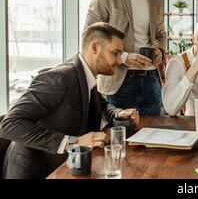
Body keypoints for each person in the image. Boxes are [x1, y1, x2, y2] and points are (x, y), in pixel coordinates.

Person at [0, 22, 140, 179]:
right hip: (32, 170)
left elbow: (102, 104)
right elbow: (9, 124)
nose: (119, 61)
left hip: (64, 168)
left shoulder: (86, 75)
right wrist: (73, 142)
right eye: (115, 53)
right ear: (94, 48)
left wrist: (119, 113)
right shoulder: (59, 77)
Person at [83, 0, 167, 115]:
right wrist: (124, 57)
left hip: (151, 81)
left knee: (152, 137)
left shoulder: (156, 1)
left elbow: (160, 34)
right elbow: (89, 37)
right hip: (118, 82)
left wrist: (160, 50)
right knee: (119, 137)